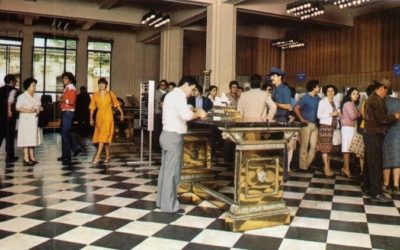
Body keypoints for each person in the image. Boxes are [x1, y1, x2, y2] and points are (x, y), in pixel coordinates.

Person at [157, 76, 206, 213]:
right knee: (172, 173)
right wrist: (200, 113)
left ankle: (162, 202)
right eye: (192, 89)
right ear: (186, 85)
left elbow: (181, 110)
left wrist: (190, 108)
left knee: (165, 171)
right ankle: (170, 207)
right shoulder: (179, 97)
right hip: (174, 137)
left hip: (166, 135)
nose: (192, 92)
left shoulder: (171, 95)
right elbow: (186, 116)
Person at [364, 79, 400, 203]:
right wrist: (395, 116)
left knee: (371, 162)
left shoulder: (375, 99)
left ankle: (369, 187)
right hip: (374, 135)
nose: (386, 94)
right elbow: (381, 119)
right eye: (386, 92)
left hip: (372, 134)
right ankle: (376, 193)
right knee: (375, 163)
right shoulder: (374, 100)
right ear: (381, 89)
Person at [89, 78, 124, 164]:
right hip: (99, 116)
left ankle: (97, 157)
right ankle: (108, 156)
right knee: (103, 137)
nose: (101, 85)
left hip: (108, 115)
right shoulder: (95, 95)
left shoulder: (110, 93)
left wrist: (122, 113)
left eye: (103, 83)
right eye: (99, 83)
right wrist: (90, 118)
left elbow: (116, 104)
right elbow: (92, 107)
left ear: (106, 85)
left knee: (103, 135)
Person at [294, 80, 321, 172]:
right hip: (306, 124)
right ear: (313, 87)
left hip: (315, 125)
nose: (319, 88)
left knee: (314, 146)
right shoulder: (305, 97)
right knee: (304, 146)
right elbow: (296, 108)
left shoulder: (318, 98)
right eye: (318, 86)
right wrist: (302, 119)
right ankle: (303, 167)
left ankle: (306, 164)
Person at [15, 77, 42, 166]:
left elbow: (39, 106)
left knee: (32, 138)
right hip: (25, 120)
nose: (35, 87)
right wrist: (29, 111)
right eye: (33, 85)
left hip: (34, 120)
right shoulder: (22, 96)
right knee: (26, 138)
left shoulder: (37, 96)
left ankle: (32, 157)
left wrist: (39, 109)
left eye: (35, 85)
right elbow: (18, 107)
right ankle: (26, 158)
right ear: (28, 86)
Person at [57, 72, 82, 164]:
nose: (64, 80)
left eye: (66, 78)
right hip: (65, 112)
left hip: (68, 112)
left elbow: (72, 101)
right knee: (64, 134)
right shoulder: (67, 88)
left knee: (65, 134)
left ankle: (68, 155)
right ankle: (71, 151)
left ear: (70, 80)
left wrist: (62, 99)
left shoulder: (71, 88)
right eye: (63, 78)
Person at [317, 85, 340, 177]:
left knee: (329, 149)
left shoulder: (335, 102)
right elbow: (319, 115)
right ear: (325, 93)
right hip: (325, 127)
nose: (330, 93)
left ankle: (328, 167)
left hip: (333, 127)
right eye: (328, 91)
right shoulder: (322, 102)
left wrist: (338, 114)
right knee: (325, 150)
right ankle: (326, 168)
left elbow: (337, 115)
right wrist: (331, 114)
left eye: (332, 91)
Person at [340, 87, 361, 178]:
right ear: (349, 95)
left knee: (349, 149)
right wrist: (360, 113)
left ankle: (345, 168)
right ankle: (346, 169)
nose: (356, 95)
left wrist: (358, 113)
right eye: (354, 93)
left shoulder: (353, 104)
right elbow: (353, 116)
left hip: (350, 128)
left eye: (357, 93)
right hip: (347, 128)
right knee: (346, 149)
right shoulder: (348, 103)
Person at [383, 95, 400, 194]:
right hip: (398, 133)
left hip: (386, 133)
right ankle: (396, 185)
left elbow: (382, 119)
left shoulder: (383, 102)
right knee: (397, 159)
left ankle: (386, 184)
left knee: (387, 159)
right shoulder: (398, 102)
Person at [0, 74, 19, 163]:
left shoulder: (0, 90)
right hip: (10, 116)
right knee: (10, 136)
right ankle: (10, 156)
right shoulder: (15, 91)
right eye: (15, 80)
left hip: (0, 117)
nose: (16, 82)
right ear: (11, 81)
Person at [154, 80, 168, 152]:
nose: (163, 86)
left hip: (164, 113)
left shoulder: (167, 92)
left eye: (164, 85)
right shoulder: (157, 92)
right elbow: (159, 102)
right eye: (161, 85)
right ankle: (156, 147)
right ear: (159, 85)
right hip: (158, 113)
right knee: (157, 130)